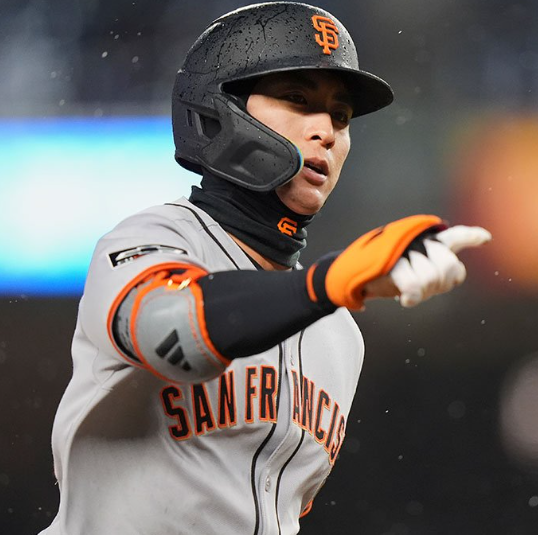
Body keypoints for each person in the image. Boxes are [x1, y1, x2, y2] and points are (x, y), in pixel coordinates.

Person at [40, 3, 491, 534]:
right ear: (221, 110)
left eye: (341, 116)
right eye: (298, 99)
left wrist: (323, 292)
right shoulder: (155, 238)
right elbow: (171, 332)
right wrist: (325, 286)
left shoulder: (339, 334)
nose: (326, 130)